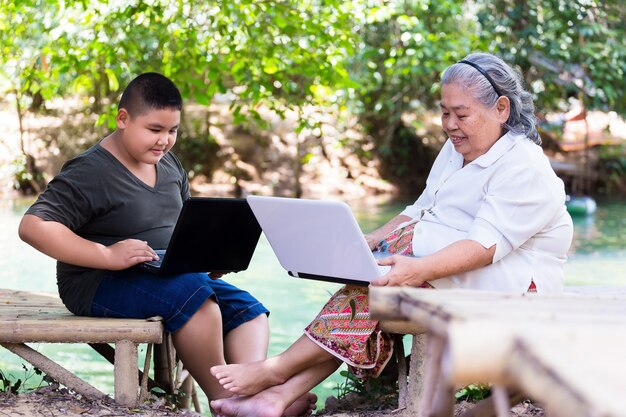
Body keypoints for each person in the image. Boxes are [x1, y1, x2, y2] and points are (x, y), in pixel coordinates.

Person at [209, 52, 574, 417]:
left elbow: (483, 246)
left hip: (513, 285)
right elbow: (419, 210)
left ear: (502, 109)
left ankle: (273, 374)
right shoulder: (455, 149)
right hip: (451, 267)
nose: (449, 124)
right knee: (368, 285)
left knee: (372, 293)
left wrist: (418, 269)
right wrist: (371, 239)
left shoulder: (524, 166)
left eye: (461, 114)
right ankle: (274, 398)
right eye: (444, 112)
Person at [17, 73, 316, 416]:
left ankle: (252, 391)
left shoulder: (168, 163)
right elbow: (33, 226)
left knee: (248, 311)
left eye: (172, 131)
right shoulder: (89, 171)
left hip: (163, 272)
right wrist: (107, 255)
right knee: (198, 301)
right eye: (155, 130)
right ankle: (227, 401)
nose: (164, 141)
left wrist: (207, 257)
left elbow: (182, 226)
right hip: (97, 282)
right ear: (123, 119)